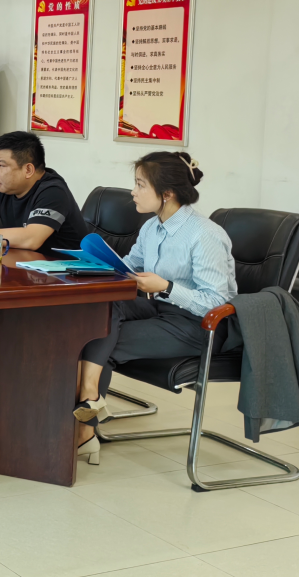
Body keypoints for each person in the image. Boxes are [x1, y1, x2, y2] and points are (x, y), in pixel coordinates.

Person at [72, 151, 236, 466]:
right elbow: (129, 268)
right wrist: (92, 266)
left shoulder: (205, 235)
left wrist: (167, 287)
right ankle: (89, 400)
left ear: (167, 193)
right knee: (97, 312)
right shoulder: (151, 227)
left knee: (95, 338)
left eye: (140, 185)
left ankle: (83, 431)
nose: (133, 192)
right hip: (158, 308)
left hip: (198, 326)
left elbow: (216, 302)